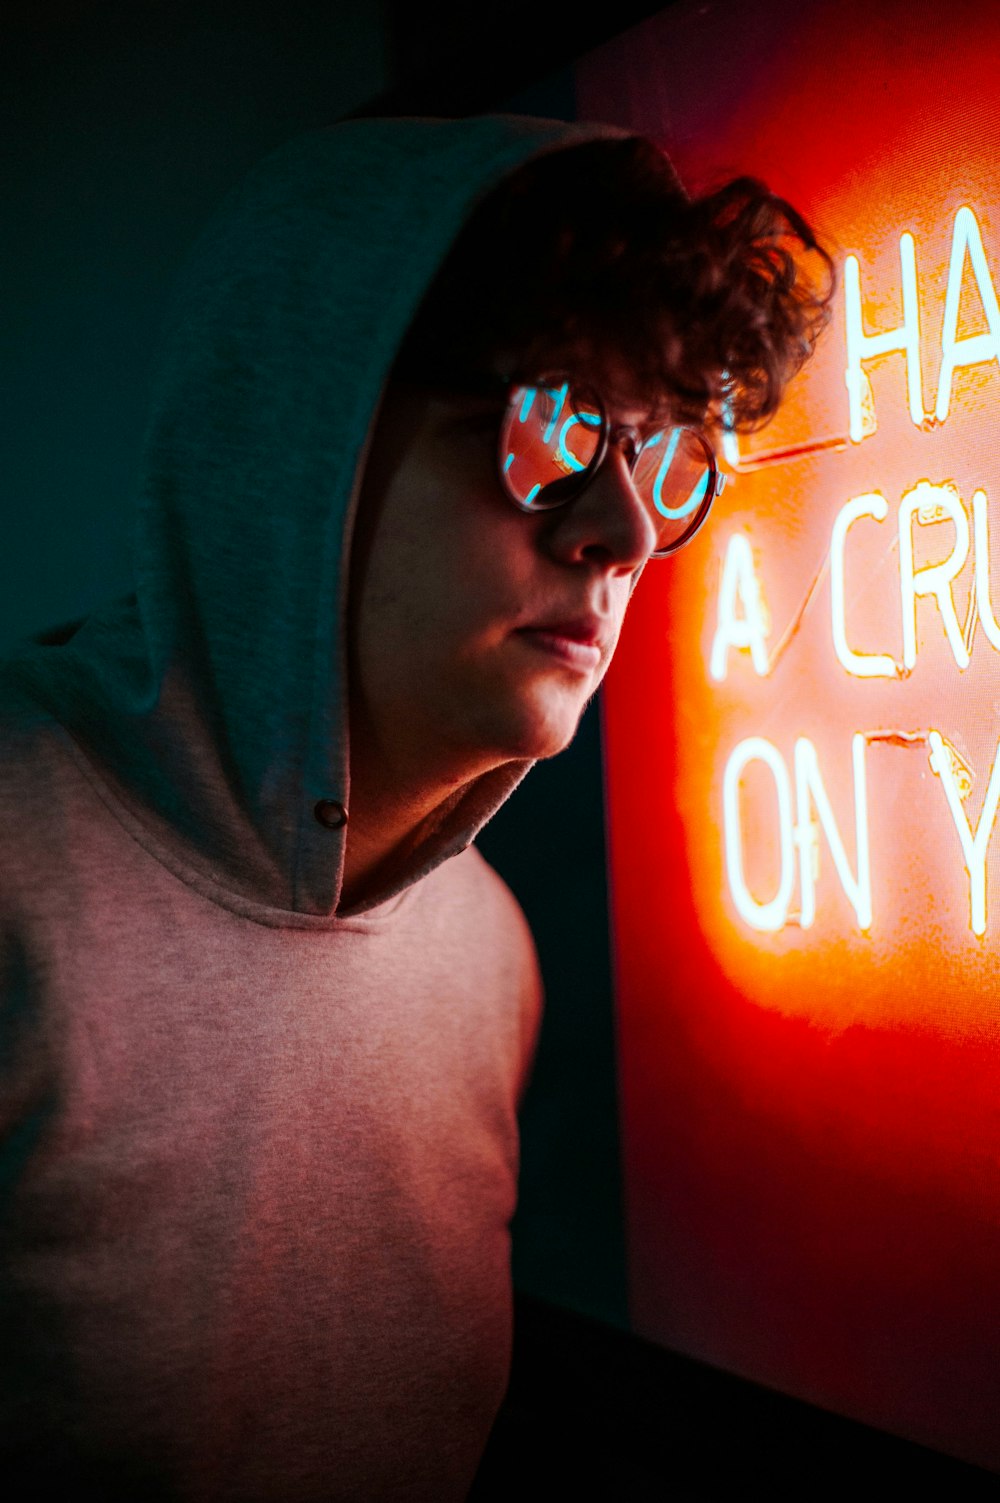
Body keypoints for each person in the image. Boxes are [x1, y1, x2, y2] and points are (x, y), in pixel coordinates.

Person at [0, 115, 832, 1500]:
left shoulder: (486, 960)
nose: (622, 533)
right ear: (303, 433)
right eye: (550, 426)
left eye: (663, 456)